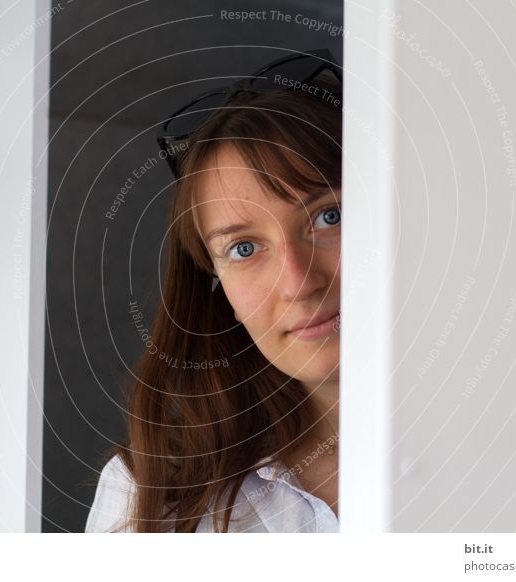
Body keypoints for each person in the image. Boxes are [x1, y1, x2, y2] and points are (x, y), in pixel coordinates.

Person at [85, 49, 342, 533]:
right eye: (244, 248)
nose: (299, 282)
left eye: (331, 217)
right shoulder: (150, 496)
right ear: (215, 286)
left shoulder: (514, 444)